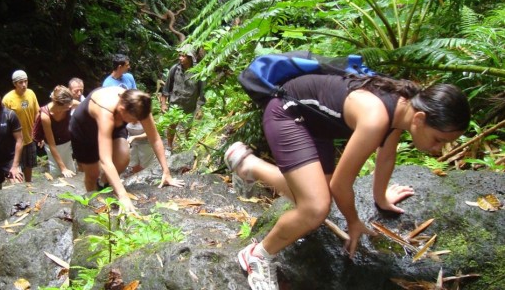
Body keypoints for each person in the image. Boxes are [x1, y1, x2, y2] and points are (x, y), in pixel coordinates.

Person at [224, 74, 471, 290]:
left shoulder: (402, 107)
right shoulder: (377, 119)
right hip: (287, 113)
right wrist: (354, 222)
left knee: (315, 199)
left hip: (316, 124)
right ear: (419, 118)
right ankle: (257, 255)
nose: (439, 149)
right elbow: (341, 185)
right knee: (316, 208)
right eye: (438, 139)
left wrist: (381, 198)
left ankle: (248, 165)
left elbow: (386, 156)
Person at [70, 86, 185, 213]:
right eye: (134, 120)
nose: (136, 123)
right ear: (122, 109)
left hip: (116, 124)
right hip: (84, 129)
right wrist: (123, 196)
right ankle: (93, 203)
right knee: (92, 173)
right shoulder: (105, 111)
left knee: (123, 158)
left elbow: (154, 138)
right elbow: (105, 160)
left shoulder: (140, 104)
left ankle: (104, 183)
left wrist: (166, 172)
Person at [159, 47, 206, 150]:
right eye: (179, 55)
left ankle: (187, 148)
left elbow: (202, 92)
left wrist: (200, 108)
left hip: (190, 107)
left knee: (188, 129)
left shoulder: (198, 71)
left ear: (190, 57)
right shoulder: (174, 69)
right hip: (174, 105)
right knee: (171, 127)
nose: (180, 58)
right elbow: (166, 88)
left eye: (183, 56)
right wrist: (163, 104)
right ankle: (169, 147)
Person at [2, 70, 40, 182]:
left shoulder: (31, 93)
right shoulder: (7, 99)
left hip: (29, 137)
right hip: (14, 141)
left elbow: (37, 113)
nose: (24, 84)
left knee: (29, 165)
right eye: (20, 82)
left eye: (25, 81)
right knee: (15, 168)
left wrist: (38, 133)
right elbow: (4, 121)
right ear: (15, 84)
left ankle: (28, 185)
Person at [37, 85, 79, 178]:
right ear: (57, 104)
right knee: (57, 171)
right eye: (67, 107)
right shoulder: (45, 115)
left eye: (70, 105)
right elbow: (52, 145)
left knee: (71, 169)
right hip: (53, 145)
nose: (69, 108)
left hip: (67, 142)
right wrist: (63, 168)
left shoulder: (70, 103)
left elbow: (85, 106)